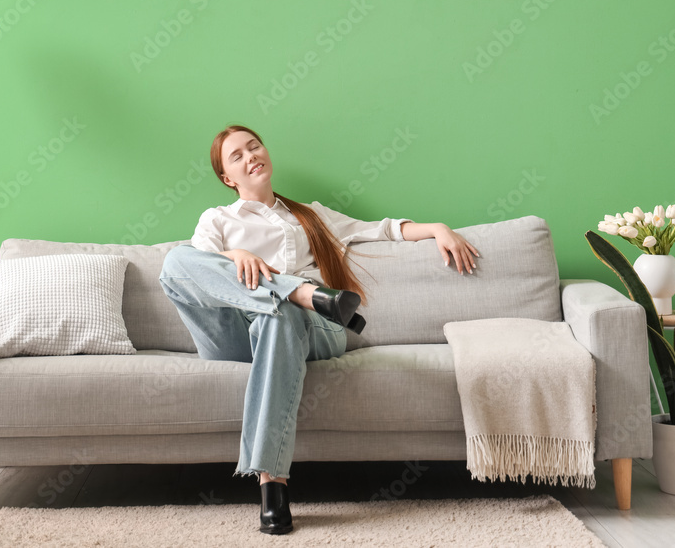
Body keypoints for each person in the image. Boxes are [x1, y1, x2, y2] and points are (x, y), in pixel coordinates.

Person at [157, 125, 479, 535]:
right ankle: (303, 292)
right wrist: (232, 254)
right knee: (175, 263)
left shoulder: (309, 215)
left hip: (310, 330)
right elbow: (196, 273)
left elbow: (380, 229)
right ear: (227, 178)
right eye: (236, 156)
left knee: (282, 317)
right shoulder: (217, 220)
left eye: (254, 146)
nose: (250, 155)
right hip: (234, 333)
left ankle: (272, 486)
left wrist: (436, 228)